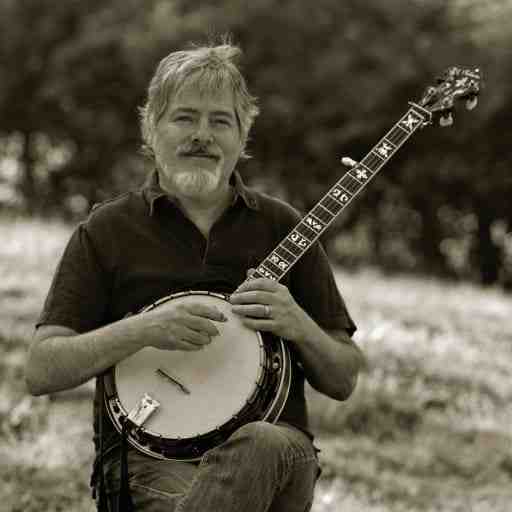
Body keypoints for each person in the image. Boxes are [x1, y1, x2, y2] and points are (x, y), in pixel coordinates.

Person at [25, 41, 364, 512]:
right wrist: (144, 329)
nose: (202, 135)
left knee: (261, 444)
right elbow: (41, 369)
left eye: (220, 121)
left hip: (276, 462)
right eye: (185, 117)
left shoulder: (285, 228)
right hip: (148, 464)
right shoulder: (107, 231)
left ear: (242, 137)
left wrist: (298, 324)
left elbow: (344, 378)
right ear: (152, 129)